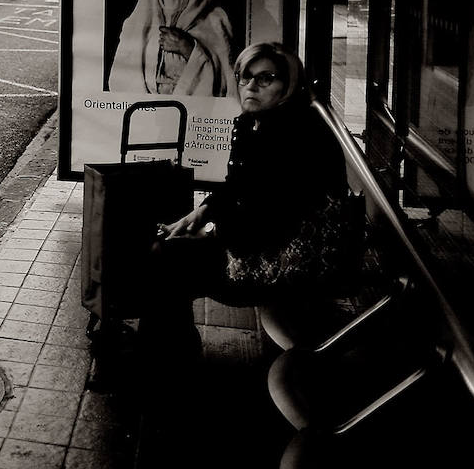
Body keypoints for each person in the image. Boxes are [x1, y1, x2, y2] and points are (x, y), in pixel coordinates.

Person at [139, 41, 349, 361]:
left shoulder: (297, 135)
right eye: (245, 76)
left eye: (265, 78)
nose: (250, 86)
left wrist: (211, 235)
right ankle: (167, 349)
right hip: (268, 240)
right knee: (167, 247)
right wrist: (199, 214)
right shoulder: (256, 122)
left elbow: (272, 220)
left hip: (291, 260)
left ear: (289, 83)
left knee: (166, 258)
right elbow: (239, 186)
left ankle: (165, 357)